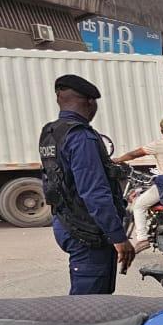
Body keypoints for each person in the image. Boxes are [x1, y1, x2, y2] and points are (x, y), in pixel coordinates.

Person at [39, 74, 133, 294]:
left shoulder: (51, 132)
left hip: (66, 222)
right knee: (89, 304)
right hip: (88, 230)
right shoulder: (81, 137)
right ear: (90, 102)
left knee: (92, 298)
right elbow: (94, 193)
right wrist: (118, 236)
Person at [113, 116, 163, 249]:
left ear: (162, 131)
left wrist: (119, 159)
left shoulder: (158, 145)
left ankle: (142, 239)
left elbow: (135, 154)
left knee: (139, 205)